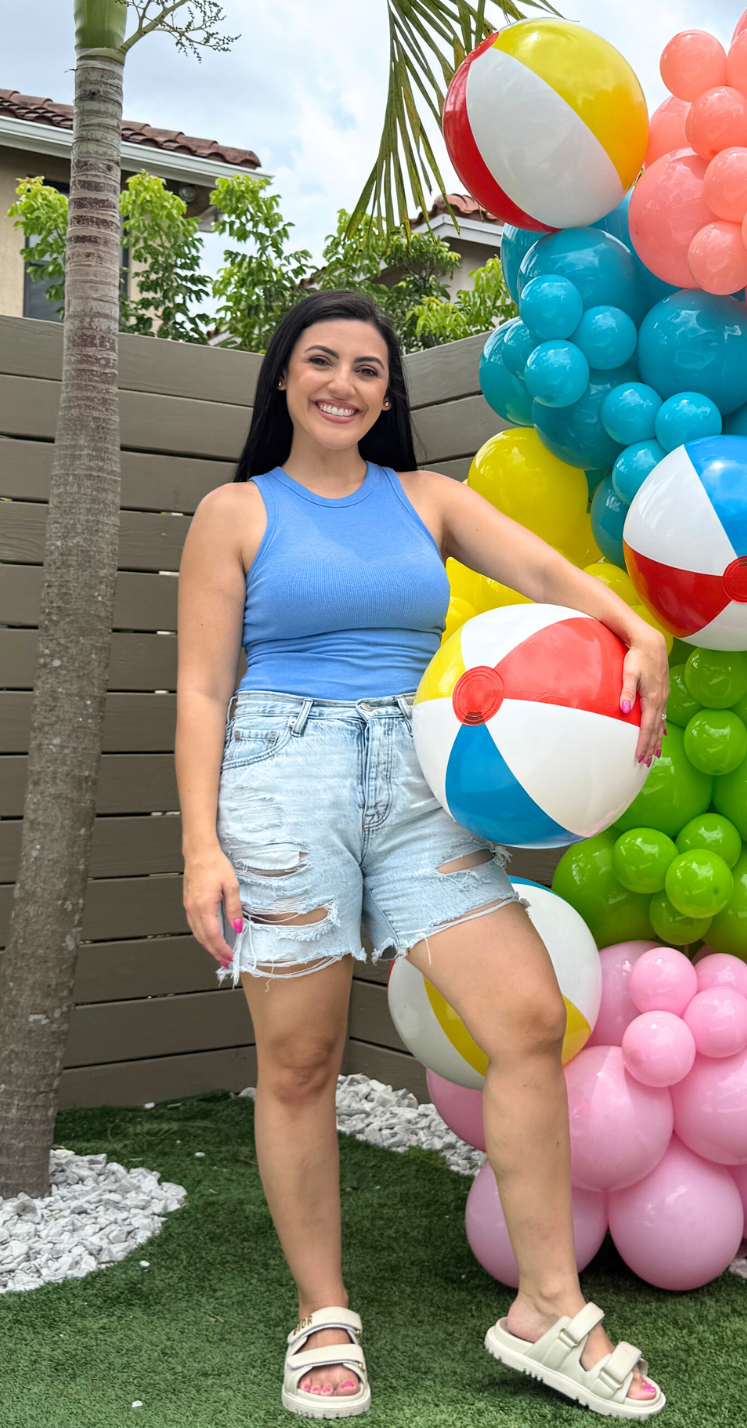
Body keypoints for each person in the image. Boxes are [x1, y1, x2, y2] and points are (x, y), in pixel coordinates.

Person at [176, 289, 670, 1420]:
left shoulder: (428, 499)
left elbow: (548, 574)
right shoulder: (235, 512)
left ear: (388, 394)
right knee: (300, 1063)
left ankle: (546, 1309)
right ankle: (323, 1313)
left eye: (366, 368)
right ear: (285, 380)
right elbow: (204, 686)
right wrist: (201, 843)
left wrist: (635, 627)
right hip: (281, 773)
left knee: (528, 1021)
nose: (343, 383)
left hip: (415, 779)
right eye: (321, 362)